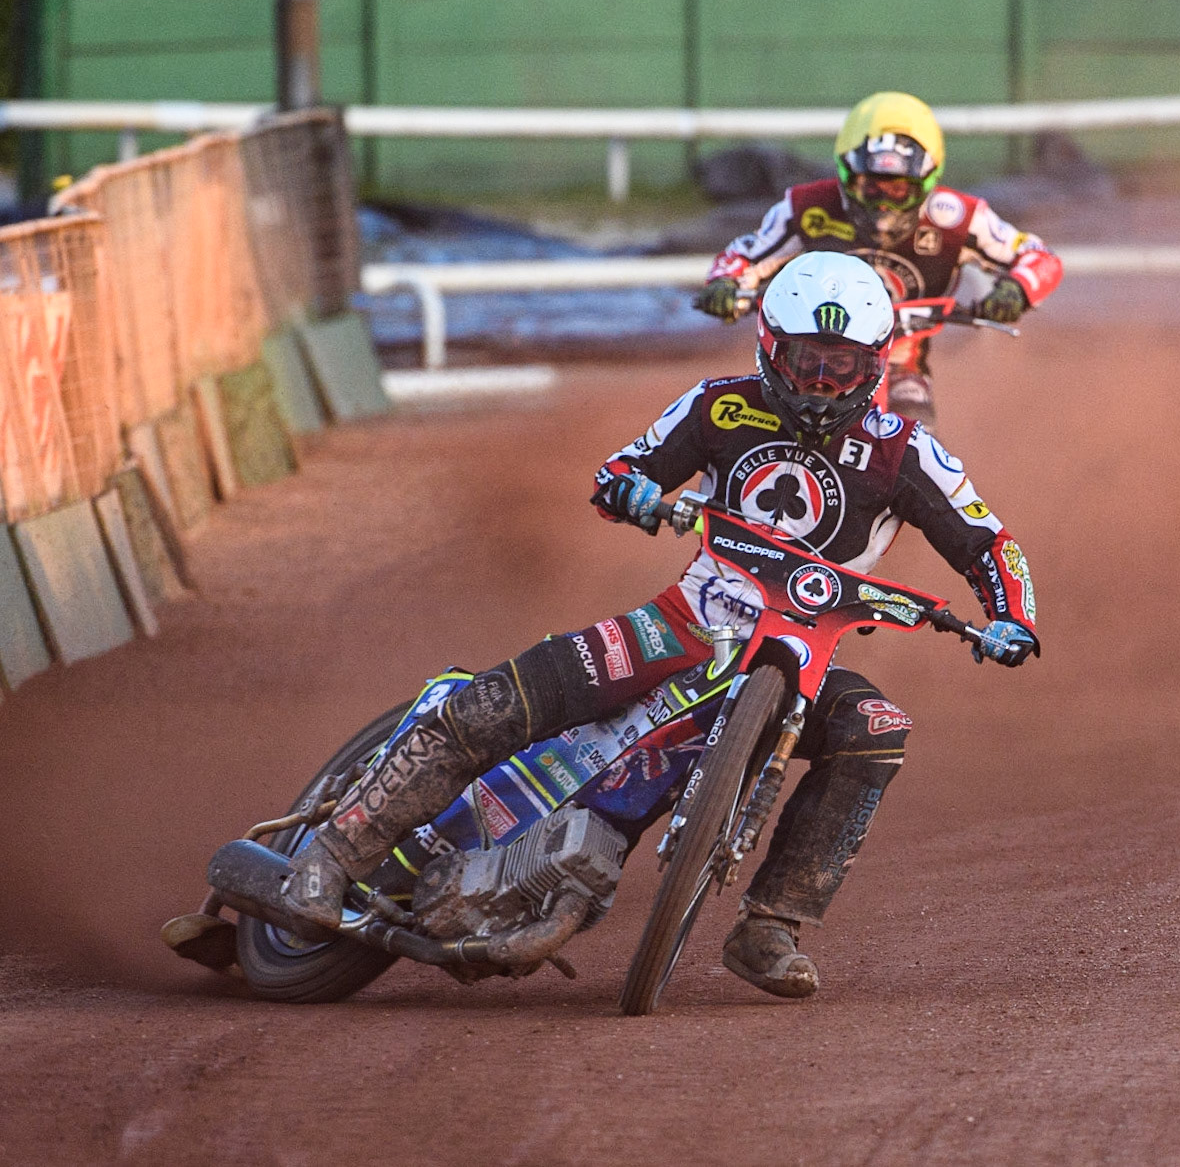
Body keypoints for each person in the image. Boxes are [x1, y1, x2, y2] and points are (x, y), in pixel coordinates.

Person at [279, 251, 1041, 998]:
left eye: (840, 367)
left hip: (801, 657)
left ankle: (771, 926)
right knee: (496, 703)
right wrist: (633, 493)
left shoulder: (907, 452)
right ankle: (330, 856)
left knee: (875, 728)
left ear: (875, 364)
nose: (819, 383)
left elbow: (990, 543)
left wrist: (1013, 617)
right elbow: (621, 469)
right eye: (806, 361)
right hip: (682, 624)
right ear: (769, 347)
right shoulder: (719, 405)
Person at [693, 91, 1063, 425]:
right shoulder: (808, 207)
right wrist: (724, 284)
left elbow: (1039, 257)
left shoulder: (956, 218)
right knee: (767, 427)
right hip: (806, 360)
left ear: (927, 181)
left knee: (916, 437)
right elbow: (743, 254)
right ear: (847, 175)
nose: (884, 204)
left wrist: (1016, 290)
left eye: (898, 189)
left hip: (901, 362)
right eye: (871, 187)